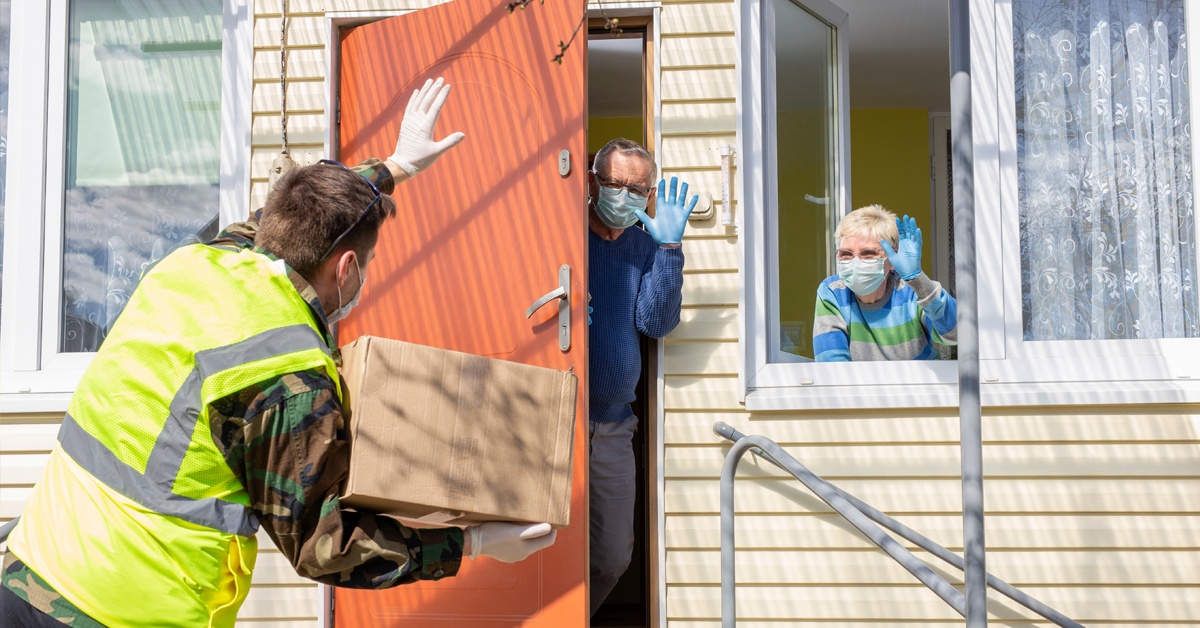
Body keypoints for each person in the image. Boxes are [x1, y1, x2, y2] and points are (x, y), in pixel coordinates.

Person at [0, 78, 556, 627]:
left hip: (32, 568)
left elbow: (288, 219)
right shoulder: (286, 373)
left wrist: (393, 168)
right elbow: (325, 545)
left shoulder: (193, 263)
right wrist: (471, 542)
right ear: (347, 269)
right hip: (122, 611)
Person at [587, 138, 697, 616]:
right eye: (615, 184)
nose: (625, 196)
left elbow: (656, 322)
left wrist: (670, 248)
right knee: (539, 547)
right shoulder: (561, 229)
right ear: (594, 182)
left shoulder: (646, 244)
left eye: (637, 189)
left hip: (612, 427)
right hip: (552, 416)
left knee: (614, 556)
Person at [813, 204, 957, 361]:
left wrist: (918, 280)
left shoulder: (912, 293)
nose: (855, 261)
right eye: (846, 254)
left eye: (868, 253)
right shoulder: (832, 292)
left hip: (922, 384)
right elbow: (832, 366)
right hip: (861, 386)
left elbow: (955, 334)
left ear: (893, 258)